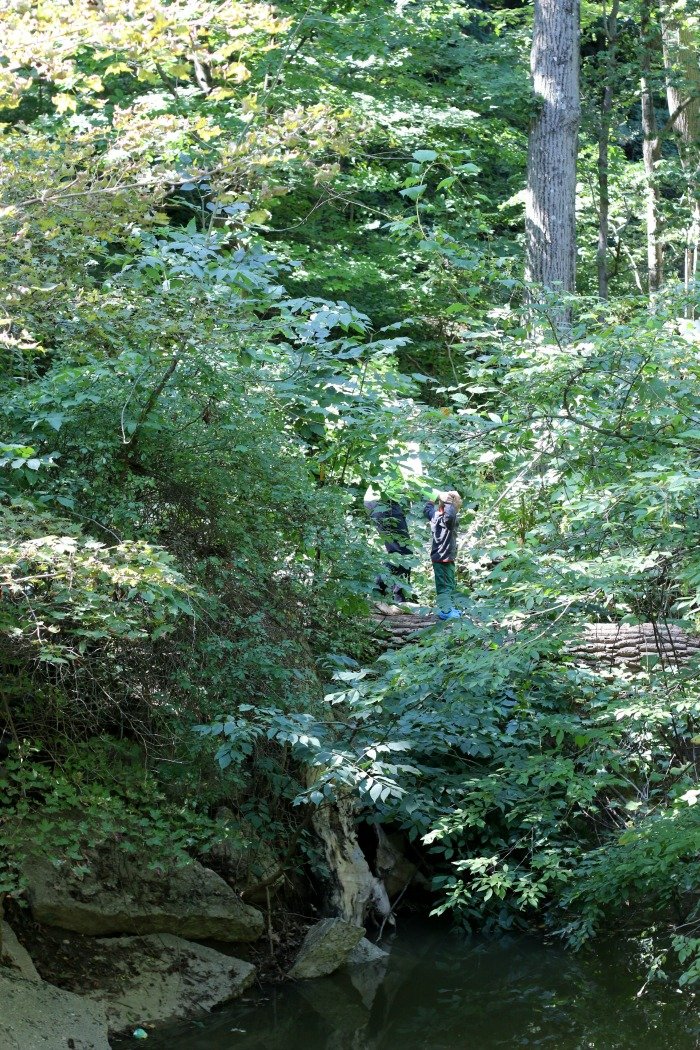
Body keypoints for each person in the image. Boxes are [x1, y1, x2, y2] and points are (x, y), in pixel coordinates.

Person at [364, 494, 415, 603]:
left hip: (382, 501)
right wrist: (438, 495)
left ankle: (392, 596)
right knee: (402, 553)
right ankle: (378, 592)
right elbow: (417, 479)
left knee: (402, 553)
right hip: (384, 502)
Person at [423, 490, 463, 620]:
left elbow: (427, 509)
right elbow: (450, 516)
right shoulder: (448, 520)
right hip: (443, 558)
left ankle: (449, 607)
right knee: (444, 585)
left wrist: (432, 498)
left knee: (449, 584)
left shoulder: (435, 515)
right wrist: (449, 501)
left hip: (445, 558)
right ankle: (445, 611)